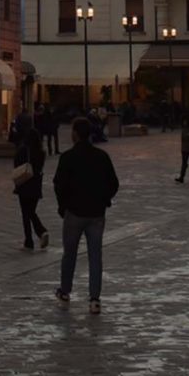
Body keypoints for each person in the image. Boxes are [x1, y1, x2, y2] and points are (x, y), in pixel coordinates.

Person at [52, 117, 120, 311]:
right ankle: (94, 299)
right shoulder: (101, 156)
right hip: (96, 213)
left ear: (75, 134)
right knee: (95, 256)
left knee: (69, 254)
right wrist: (104, 199)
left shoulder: (68, 157)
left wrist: (63, 206)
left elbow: (59, 184)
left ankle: (65, 291)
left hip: (74, 212)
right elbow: (113, 183)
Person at [14, 123, 50, 249]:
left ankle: (33, 237)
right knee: (31, 211)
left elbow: (16, 164)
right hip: (36, 185)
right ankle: (38, 235)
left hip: (24, 184)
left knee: (26, 213)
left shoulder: (23, 150)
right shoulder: (41, 152)